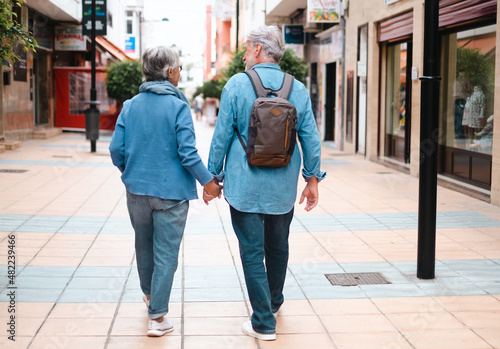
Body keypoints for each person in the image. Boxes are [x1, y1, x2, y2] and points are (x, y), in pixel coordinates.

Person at [204, 25, 326, 341]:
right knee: (278, 245)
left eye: (246, 49)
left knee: (251, 250)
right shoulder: (297, 89)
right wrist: (312, 180)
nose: (245, 55)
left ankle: (263, 322)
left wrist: (213, 178)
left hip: (244, 185)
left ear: (258, 49)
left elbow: (221, 137)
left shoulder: (236, 86)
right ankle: (272, 301)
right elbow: (311, 137)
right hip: (283, 186)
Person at [109, 46, 221, 337]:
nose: (180, 73)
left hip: (137, 192)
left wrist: (131, 174)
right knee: (167, 252)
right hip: (171, 195)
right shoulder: (178, 106)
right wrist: (208, 182)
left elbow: (115, 150)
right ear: (170, 72)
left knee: (143, 245)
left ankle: (150, 296)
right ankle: (157, 318)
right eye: (179, 68)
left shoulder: (130, 105)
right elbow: (187, 153)